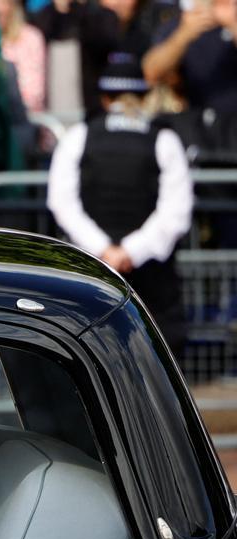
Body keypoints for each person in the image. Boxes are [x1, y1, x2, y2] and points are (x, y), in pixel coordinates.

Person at [47, 55, 192, 356]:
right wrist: (130, 253)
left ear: (103, 97)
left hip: (92, 273)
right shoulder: (164, 140)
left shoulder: (79, 136)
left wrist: (105, 251)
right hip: (151, 283)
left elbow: (62, 204)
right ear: (146, 94)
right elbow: (175, 213)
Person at [143, 0, 237, 114]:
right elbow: (151, 72)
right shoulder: (179, 25)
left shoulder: (231, 19)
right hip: (195, 120)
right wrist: (185, 33)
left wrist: (232, 23)